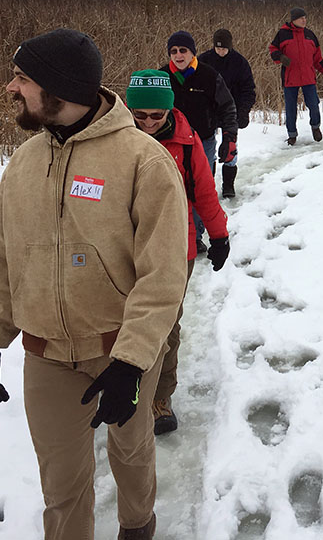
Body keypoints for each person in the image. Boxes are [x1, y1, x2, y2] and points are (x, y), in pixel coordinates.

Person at [0, 29, 189, 540]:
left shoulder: (144, 161)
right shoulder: (23, 164)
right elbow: (2, 259)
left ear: (58, 88)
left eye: (22, 78)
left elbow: (162, 276)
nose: (10, 88)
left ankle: (137, 528)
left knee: (130, 450)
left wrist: (132, 361)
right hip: (45, 354)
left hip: (121, 349)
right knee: (61, 483)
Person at [125, 70, 230, 438]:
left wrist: (218, 236)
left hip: (175, 246)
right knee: (120, 319)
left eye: (157, 115)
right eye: (140, 115)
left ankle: (159, 397)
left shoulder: (187, 142)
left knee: (165, 325)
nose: (149, 123)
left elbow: (204, 191)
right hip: (122, 246)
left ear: (169, 111)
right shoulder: (114, 141)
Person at [160, 31, 237, 254]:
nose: (178, 55)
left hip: (202, 142)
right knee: (170, 189)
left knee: (198, 190)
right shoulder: (162, 77)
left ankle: (194, 238)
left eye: (183, 50)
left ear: (192, 52)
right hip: (168, 142)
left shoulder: (209, 76)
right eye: (173, 51)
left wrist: (229, 137)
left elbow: (227, 107)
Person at [198, 29, 256, 198]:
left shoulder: (240, 63)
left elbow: (248, 89)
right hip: (208, 112)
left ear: (230, 47)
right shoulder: (204, 60)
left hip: (231, 110)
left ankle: (228, 185)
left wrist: (244, 111)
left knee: (230, 148)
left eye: (224, 48)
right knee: (208, 150)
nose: (220, 51)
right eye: (217, 48)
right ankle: (207, 185)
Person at [270, 7, 323, 145]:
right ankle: (292, 135)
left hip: (308, 77)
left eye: (305, 18)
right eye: (301, 18)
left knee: (314, 105)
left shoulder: (310, 35)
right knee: (291, 108)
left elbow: (317, 57)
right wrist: (281, 57)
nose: (304, 20)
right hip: (290, 78)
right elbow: (273, 49)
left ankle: (315, 127)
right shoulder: (283, 34)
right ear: (294, 20)